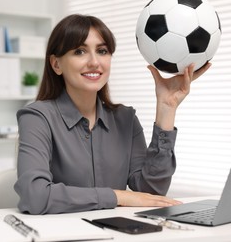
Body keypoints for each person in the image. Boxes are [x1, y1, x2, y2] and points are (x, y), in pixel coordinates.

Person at [14, 14, 211, 214]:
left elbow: (150, 193)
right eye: (80, 51)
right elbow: (35, 195)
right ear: (56, 64)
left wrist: (167, 107)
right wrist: (119, 196)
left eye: (102, 51)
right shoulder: (36, 118)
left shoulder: (125, 119)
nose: (94, 62)